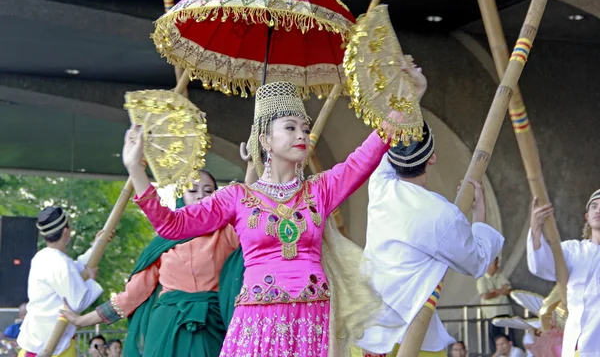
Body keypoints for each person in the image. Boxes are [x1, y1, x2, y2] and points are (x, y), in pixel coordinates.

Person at [121, 72, 426, 356]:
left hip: (311, 319)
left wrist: (408, 100)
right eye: (290, 127)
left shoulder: (319, 191)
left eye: (305, 129)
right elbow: (171, 225)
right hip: (257, 322)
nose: (302, 135)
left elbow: (366, 155)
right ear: (265, 140)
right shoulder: (239, 197)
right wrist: (136, 169)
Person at [355, 122, 504, 356]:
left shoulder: (380, 185)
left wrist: (412, 97)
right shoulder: (442, 216)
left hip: (366, 328)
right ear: (432, 158)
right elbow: (478, 261)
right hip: (409, 335)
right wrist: (479, 213)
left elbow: (387, 150)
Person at [61, 170, 239, 357]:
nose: (201, 196)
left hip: (212, 325)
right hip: (166, 328)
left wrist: (250, 172)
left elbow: (254, 218)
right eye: (192, 190)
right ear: (180, 196)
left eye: (209, 191)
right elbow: (132, 295)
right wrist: (82, 321)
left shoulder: (228, 233)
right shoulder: (162, 242)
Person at [16, 207, 105, 357]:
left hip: (38, 340)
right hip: (53, 346)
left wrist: (98, 246)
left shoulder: (42, 257)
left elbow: (76, 269)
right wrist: (90, 280)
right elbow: (77, 302)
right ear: (66, 231)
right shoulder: (61, 263)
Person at [528, 189, 600, 357]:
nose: (598, 210)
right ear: (587, 217)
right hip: (576, 338)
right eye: (594, 207)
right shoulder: (572, 250)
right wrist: (536, 229)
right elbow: (542, 266)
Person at [477, 257, 514, 352]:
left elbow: (509, 291)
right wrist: (501, 291)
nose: (497, 266)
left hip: (505, 312)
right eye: (495, 263)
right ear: (488, 265)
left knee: (509, 338)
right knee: (494, 340)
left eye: (497, 263)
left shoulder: (501, 276)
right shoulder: (481, 279)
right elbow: (485, 295)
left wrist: (495, 292)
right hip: (491, 315)